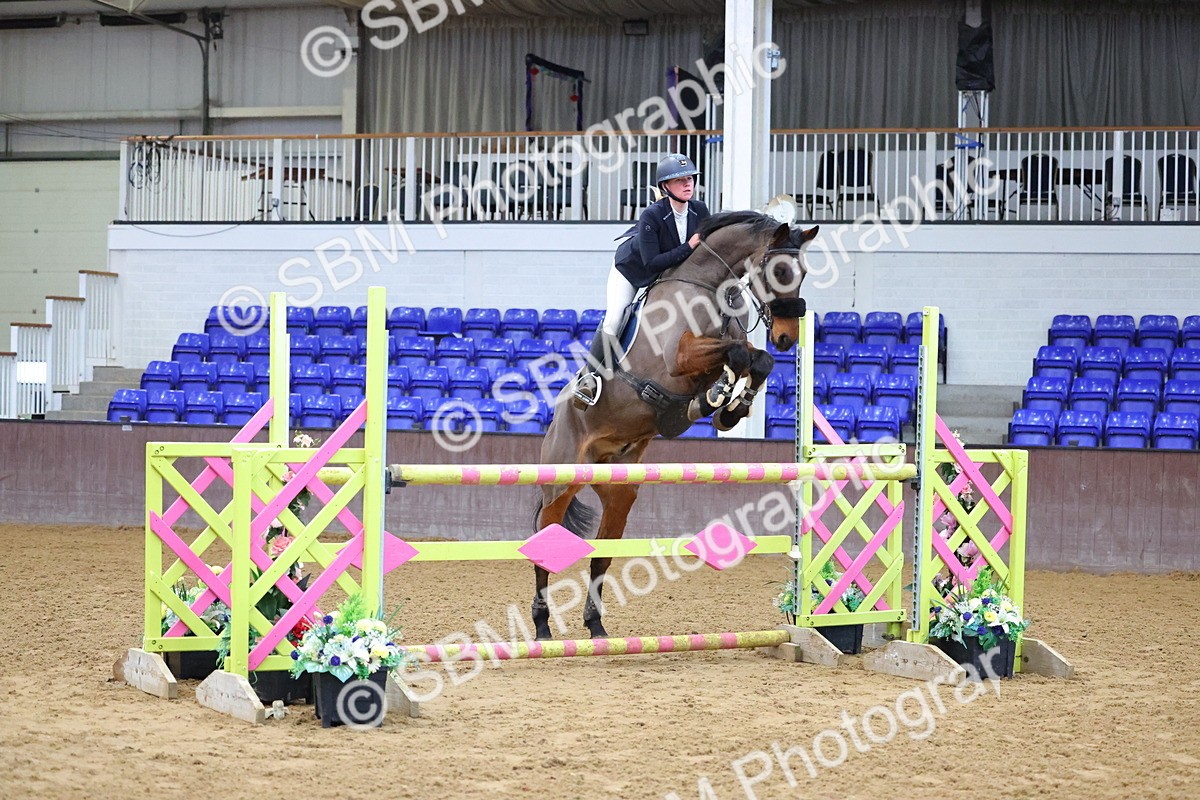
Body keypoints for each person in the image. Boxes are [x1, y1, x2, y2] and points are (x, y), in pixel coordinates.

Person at [572, 153, 711, 408]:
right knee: (616, 317)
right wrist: (690, 246)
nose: (687, 184)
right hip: (632, 272)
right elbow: (652, 262)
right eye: (680, 180)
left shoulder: (700, 210)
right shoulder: (653, 215)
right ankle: (588, 377)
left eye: (689, 178)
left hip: (665, 276)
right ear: (665, 187)